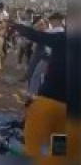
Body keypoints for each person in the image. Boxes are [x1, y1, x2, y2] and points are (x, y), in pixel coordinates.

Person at [8, 16, 67, 156]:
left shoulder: (62, 38)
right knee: (60, 146)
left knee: (32, 145)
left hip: (47, 100)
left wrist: (16, 26)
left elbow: (36, 35)